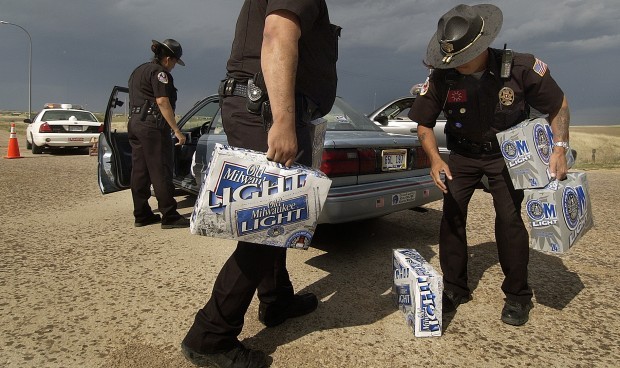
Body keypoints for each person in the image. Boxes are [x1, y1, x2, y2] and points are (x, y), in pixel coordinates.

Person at [181, 1, 340, 367]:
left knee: (277, 219)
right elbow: (277, 35)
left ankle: (276, 298)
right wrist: (283, 121)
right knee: (266, 224)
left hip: (263, 104)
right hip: (267, 108)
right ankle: (210, 335)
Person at [409, 4, 570, 326]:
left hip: (508, 157)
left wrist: (560, 148)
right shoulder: (443, 76)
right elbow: (423, 124)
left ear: (481, 46)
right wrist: (436, 160)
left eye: (462, 58)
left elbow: (558, 104)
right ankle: (455, 288)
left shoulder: (522, 68)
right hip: (463, 156)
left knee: (509, 221)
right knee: (451, 217)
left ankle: (517, 295)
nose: (456, 64)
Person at [127, 39, 190, 229]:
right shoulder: (160, 73)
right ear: (168, 59)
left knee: (140, 170)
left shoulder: (138, 70)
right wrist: (176, 130)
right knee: (160, 170)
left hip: (135, 123)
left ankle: (142, 213)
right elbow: (162, 101)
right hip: (152, 126)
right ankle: (169, 215)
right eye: (174, 63)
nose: (173, 67)